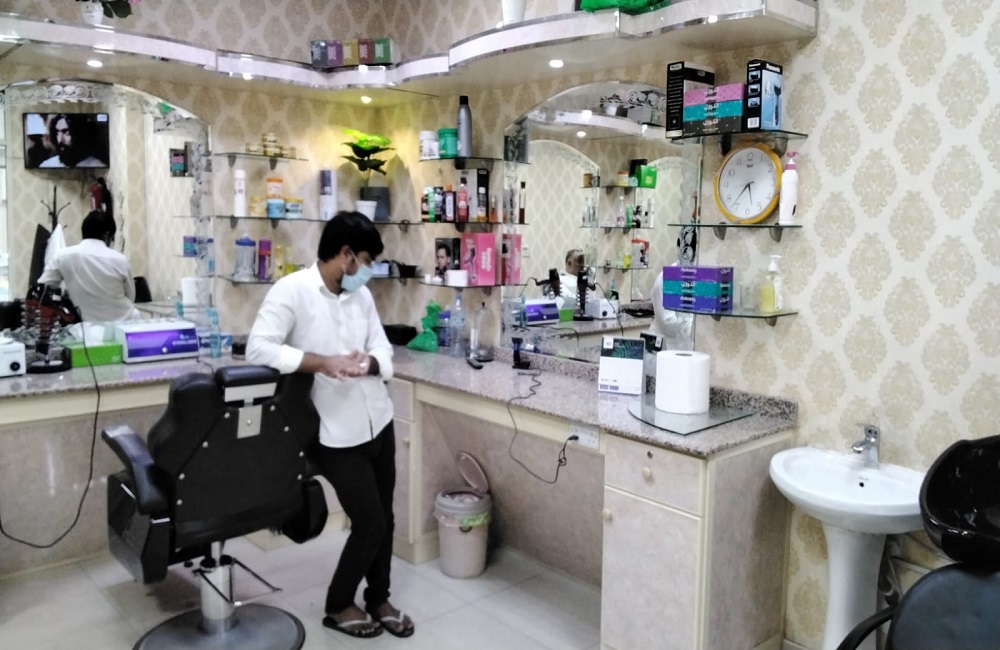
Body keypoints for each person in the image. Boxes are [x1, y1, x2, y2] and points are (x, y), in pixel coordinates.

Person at [246, 211, 414, 640]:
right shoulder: (293, 291)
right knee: (370, 523)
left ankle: (378, 598)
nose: (369, 270)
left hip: (379, 420)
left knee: (385, 518)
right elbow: (258, 349)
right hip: (335, 433)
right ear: (345, 255)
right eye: (367, 260)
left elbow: (384, 351)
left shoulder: (362, 297)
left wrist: (369, 363)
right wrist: (321, 363)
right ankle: (339, 603)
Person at [37, 211, 139, 323]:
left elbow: (41, 289)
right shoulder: (120, 260)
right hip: (126, 324)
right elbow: (130, 297)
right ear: (107, 236)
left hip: (84, 328)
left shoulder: (63, 257)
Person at [39, 113, 108, 168]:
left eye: (65, 132)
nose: (60, 139)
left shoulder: (95, 165)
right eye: (57, 133)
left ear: (77, 134)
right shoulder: (47, 165)